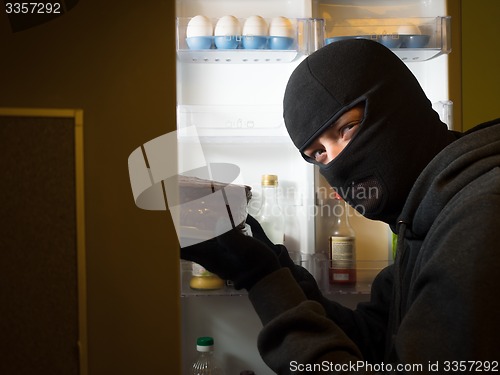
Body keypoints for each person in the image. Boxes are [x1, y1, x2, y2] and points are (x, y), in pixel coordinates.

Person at [181, 39, 500, 374]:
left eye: (347, 128)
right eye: (318, 153)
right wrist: (276, 271)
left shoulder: (479, 218)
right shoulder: (423, 221)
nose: (337, 162)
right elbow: (374, 341)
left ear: (402, 103)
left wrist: (261, 278)